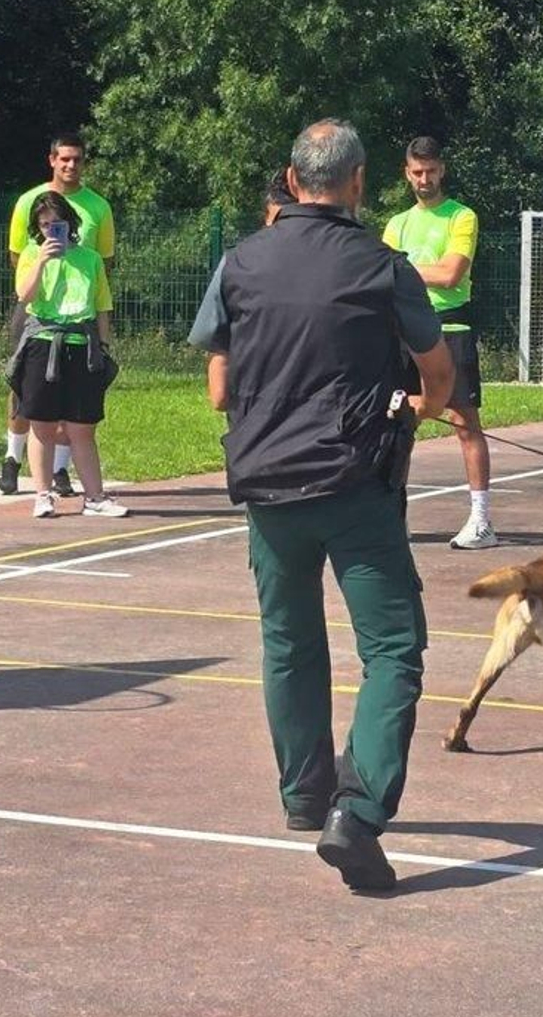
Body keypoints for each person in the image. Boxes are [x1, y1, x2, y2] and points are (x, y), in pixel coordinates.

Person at [189, 119, 454, 892]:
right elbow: (435, 372)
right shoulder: (382, 265)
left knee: (290, 642)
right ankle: (358, 809)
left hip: (267, 483)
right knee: (394, 648)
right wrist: (419, 406)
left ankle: (304, 795)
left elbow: (216, 385)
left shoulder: (240, 262)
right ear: (360, 182)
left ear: (291, 177)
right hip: (353, 486)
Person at [382, 136, 495, 549]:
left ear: (441, 169)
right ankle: (394, 515)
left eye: (430, 171)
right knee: (398, 422)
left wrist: (403, 266)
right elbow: (384, 276)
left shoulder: (461, 217)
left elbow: (451, 275)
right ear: (406, 172)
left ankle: (481, 521)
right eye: (416, 172)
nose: (424, 179)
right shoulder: (397, 224)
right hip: (404, 329)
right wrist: (405, 269)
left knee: (465, 423)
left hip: (451, 328)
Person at [0, 134, 117, 497]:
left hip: (78, 314)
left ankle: (61, 468)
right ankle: (12, 457)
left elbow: (104, 260)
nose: (71, 166)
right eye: (64, 159)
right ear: (51, 159)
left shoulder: (98, 206)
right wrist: (42, 274)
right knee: (25, 388)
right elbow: (19, 254)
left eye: (77, 159)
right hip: (39, 309)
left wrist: (89, 309)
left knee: (73, 400)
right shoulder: (27, 201)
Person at [10, 192, 130, 520]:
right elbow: (25, 295)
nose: (51, 230)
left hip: (81, 343)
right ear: (38, 228)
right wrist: (43, 261)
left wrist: (103, 348)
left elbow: (102, 306)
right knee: (43, 425)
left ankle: (94, 497)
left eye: (57, 224)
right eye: (45, 225)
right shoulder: (32, 255)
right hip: (43, 342)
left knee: (82, 427)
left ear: (69, 223)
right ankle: (42, 494)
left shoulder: (89, 259)